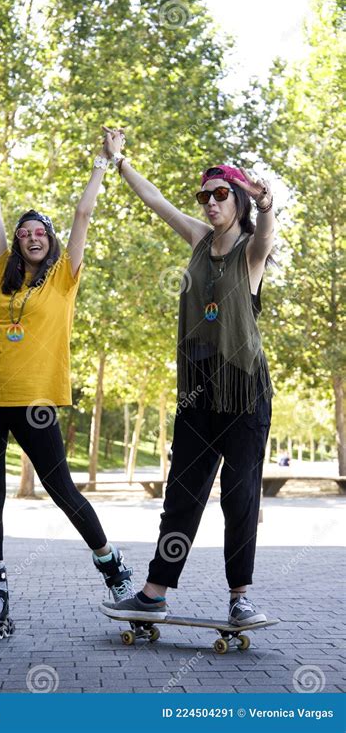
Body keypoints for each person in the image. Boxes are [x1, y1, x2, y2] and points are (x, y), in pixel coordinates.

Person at [0, 121, 135, 635]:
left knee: (61, 489)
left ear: (51, 242)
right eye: (24, 233)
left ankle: (113, 569)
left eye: (41, 233)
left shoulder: (63, 278)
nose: (32, 237)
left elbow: (83, 213)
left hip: (35, 401)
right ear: (17, 243)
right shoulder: (1, 274)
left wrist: (105, 162)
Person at [100, 127, 275, 626]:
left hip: (243, 390)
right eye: (205, 196)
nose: (211, 203)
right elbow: (155, 201)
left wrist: (267, 203)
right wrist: (120, 160)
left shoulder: (249, 251)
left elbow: (267, 232)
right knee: (183, 492)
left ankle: (240, 597)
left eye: (221, 194)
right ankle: (154, 593)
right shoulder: (200, 239)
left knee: (239, 497)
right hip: (199, 390)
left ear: (238, 200)